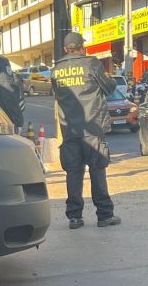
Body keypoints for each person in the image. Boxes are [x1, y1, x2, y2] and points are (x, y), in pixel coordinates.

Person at [52, 32, 121, 229]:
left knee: (73, 173)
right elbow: (109, 88)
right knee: (97, 171)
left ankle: (74, 217)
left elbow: (57, 96)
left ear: (66, 49)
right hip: (92, 127)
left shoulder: (57, 69)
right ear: (83, 47)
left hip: (70, 130)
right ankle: (104, 215)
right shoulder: (91, 64)